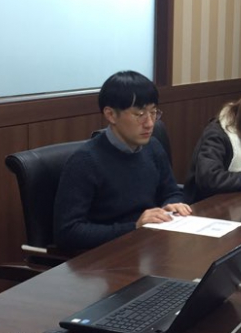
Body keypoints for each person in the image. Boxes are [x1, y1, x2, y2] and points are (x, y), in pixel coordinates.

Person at [54, 71, 191, 251]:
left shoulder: (153, 147)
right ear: (111, 115)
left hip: (148, 245)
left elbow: (171, 191)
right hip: (106, 257)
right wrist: (134, 227)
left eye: (153, 112)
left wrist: (171, 205)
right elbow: (68, 232)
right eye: (139, 114)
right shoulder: (85, 161)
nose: (150, 123)